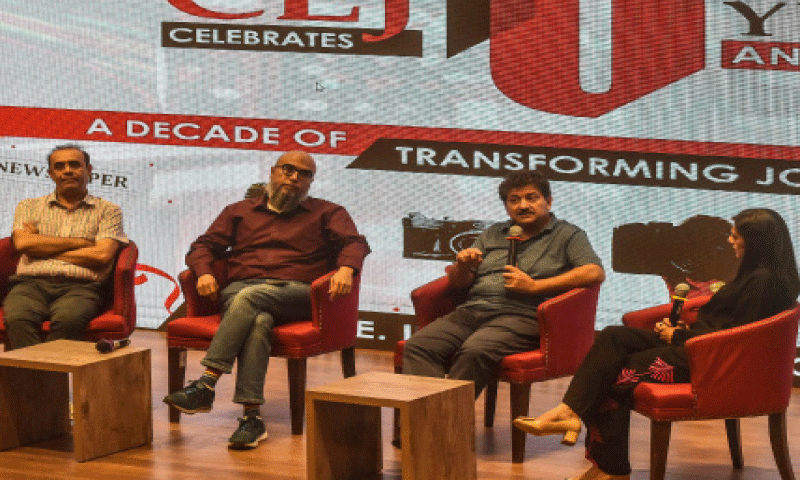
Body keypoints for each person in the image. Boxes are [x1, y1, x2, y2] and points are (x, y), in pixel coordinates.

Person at [514, 208, 800, 480]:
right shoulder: (758, 274)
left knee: (614, 374)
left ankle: (610, 468)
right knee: (613, 336)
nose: (729, 241)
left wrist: (677, 336)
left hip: (711, 364)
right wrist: (681, 329)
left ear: (755, 243)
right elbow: (725, 324)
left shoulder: (765, 281)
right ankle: (569, 412)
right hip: (698, 348)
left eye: (736, 237)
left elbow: (737, 337)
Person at [163, 151, 370, 450]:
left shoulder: (328, 212)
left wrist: (348, 269)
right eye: (288, 170)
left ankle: (206, 382)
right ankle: (251, 419)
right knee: (258, 318)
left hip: (297, 293)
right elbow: (203, 246)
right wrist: (205, 273)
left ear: (311, 182)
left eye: (304, 174)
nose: (294, 178)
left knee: (251, 298)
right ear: (273, 172)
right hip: (242, 289)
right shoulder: (239, 211)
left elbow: (355, 242)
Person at [402, 171, 605, 399]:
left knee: (475, 351)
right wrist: (462, 266)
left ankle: (445, 425)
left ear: (548, 201)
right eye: (514, 200)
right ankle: (429, 422)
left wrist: (535, 286)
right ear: (506, 206)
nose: (523, 205)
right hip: (473, 311)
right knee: (418, 347)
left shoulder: (567, 234)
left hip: (522, 316)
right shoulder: (493, 233)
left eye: (532, 198)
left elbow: (594, 272)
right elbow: (460, 284)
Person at [4, 145, 128, 349]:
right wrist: (82, 243)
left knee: (69, 319)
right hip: (29, 285)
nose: (67, 170)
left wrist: (42, 248)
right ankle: (38, 379)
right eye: (60, 166)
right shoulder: (28, 206)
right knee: (18, 318)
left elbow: (101, 255)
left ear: (88, 170)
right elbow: (24, 243)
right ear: (51, 174)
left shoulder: (108, 210)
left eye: (75, 165)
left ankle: (46, 378)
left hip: (82, 287)